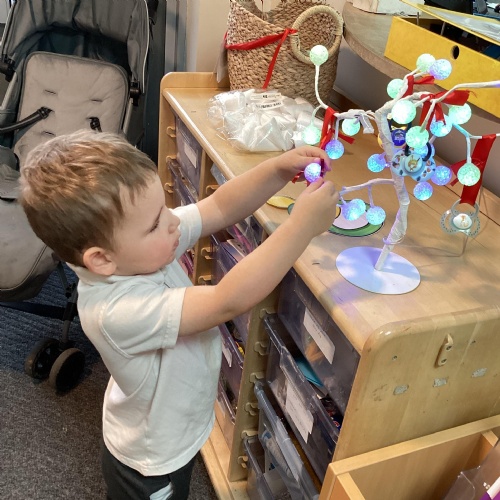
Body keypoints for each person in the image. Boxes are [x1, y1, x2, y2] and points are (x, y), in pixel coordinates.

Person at [20, 130, 339, 500]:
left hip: (169, 430)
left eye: (165, 210)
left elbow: (217, 207)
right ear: (102, 259)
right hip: (152, 462)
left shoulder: (139, 250)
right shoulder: (114, 310)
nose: (173, 221)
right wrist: (300, 227)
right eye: (156, 222)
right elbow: (227, 300)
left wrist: (276, 170)